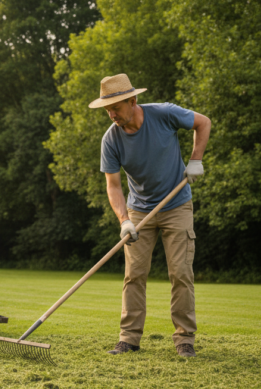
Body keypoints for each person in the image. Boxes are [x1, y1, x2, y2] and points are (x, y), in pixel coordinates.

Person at [89, 74, 211, 357]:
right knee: (134, 275)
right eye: (107, 109)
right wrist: (124, 221)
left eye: (116, 108)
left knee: (180, 273)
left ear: (133, 101)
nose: (111, 115)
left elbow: (203, 123)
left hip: (176, 205)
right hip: (139, 211)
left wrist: (195, 160)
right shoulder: (111, 140)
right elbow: (113, 186)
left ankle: (184, 340)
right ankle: (129, 339)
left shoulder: (164, 114)